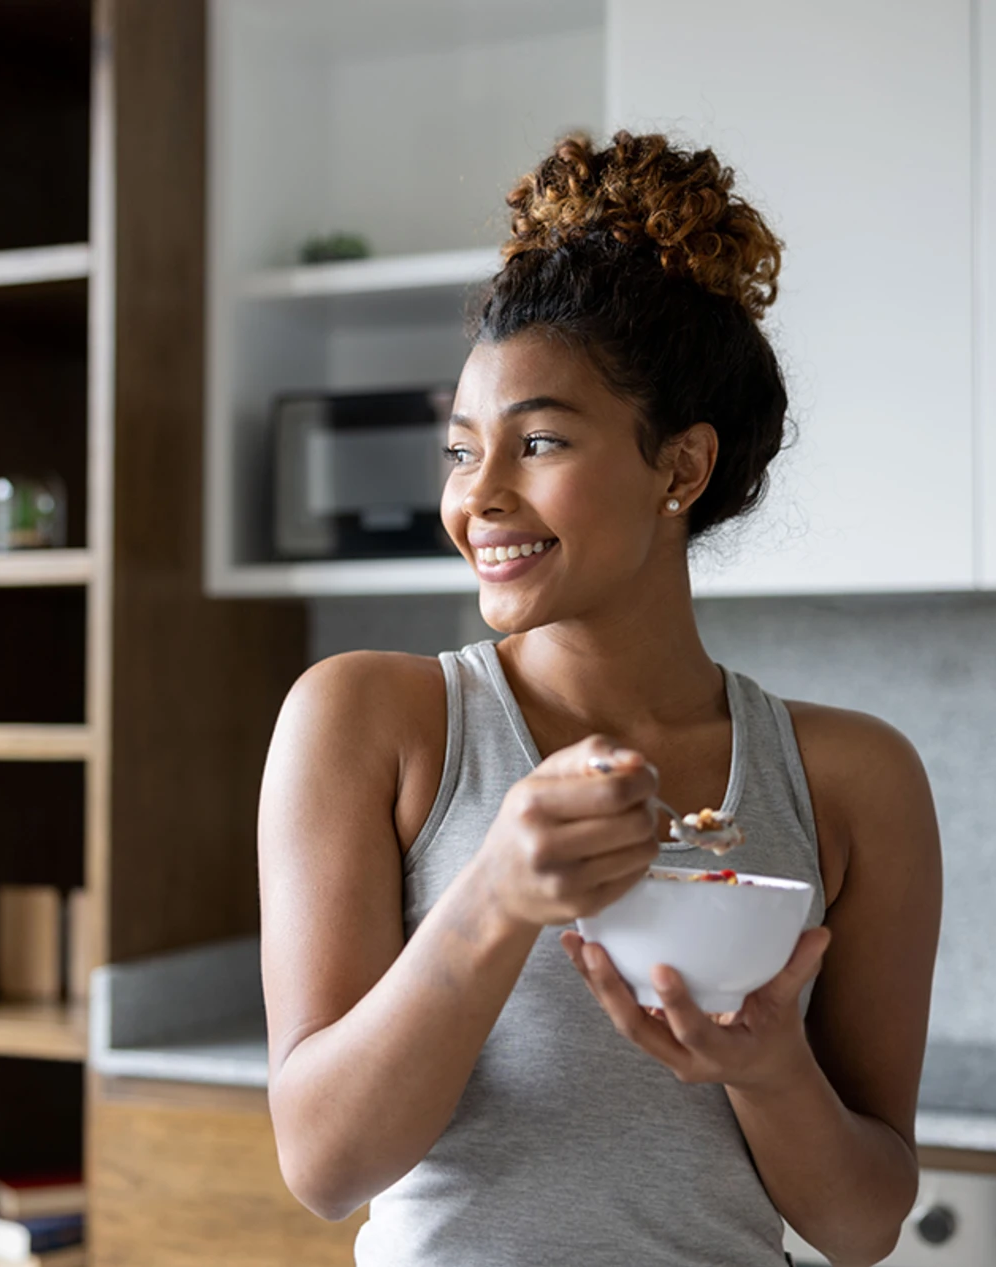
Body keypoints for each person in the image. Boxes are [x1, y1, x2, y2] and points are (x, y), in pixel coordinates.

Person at [257, 130, 943, 1267]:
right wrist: (493, 896)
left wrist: (768, 1069)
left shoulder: (852, 780)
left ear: (679, 468)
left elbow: (864, 1222)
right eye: (460, 449)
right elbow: (324, 1166)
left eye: (536, 442)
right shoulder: (372, 723)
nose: (478, 497)